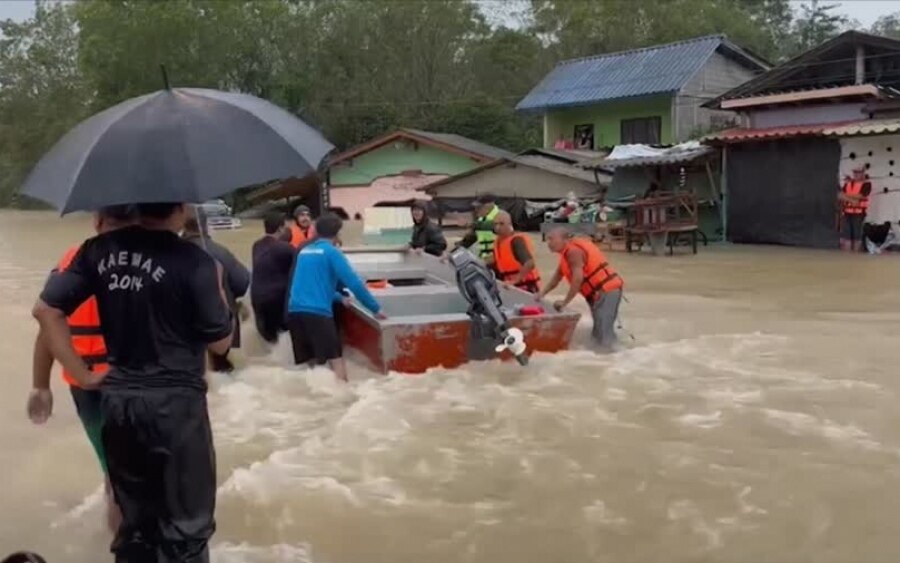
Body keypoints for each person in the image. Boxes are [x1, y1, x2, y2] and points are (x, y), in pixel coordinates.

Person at [34, 202, 233, 563]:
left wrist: (81, 374)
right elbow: (220, 342)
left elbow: (46, 310)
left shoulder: (97, 252)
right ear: (181, 210)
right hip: (176, 412)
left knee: (134, 528)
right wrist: (218, 287)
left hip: (118, 402)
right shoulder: (197, 261)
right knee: (186, 529)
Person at [27, 206, 136, 534]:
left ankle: (119, 543)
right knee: (132, 475)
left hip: (86, 383)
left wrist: (41, 385)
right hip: (127, 383)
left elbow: (47, 322)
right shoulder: (145, 263)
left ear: (98, 222)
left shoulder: (70, 263)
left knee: (114, 472)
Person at [286, 214, 385, 382]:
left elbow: (308, 285)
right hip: (317, 313)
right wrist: (375, 308)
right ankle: (344, 399)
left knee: (310, 365)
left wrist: (338, 297)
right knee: (336, 360)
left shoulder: (304, 251)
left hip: (295, 312)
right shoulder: (332, 252)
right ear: (338, 234)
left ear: (316, 231)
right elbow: (354, 283)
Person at [183, 207, 250, 372]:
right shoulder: (221, 252)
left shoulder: (171, 253)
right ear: (206, 226)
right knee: (225, 377)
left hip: (184, 335)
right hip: (222, 326)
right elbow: (242, 281)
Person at [537, 228, 624, 351]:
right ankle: (604, 356)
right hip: (598, 294)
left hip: (606, 291)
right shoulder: (565, 254)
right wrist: (541, 294)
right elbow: (556, 278)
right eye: (547, 240)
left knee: (604, 334)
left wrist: (565, 302)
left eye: (552, 239)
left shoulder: (573, 252)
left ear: (565, 239)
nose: (549, 243)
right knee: (599, 331)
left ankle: (613, 357)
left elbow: (577, 280)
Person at [251, 211, 296, 343]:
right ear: (281, 228)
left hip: (257, 298)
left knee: (268, 341)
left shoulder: (256, 246)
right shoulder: (285, 248)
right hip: (276, 300)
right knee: (283, 340)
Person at [490, 210, 541, 294]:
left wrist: (515, 280)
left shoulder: (516, 241)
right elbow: (496, 261)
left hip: (526, 287)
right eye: (495, 224)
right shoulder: (498, 242)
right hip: (509, 287)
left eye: (501, 224)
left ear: (509, 224)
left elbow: (530, 263)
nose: (498, 227)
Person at [449, 194, 500, 260]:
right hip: (485, 259)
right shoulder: (481, 219)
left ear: (488, 207)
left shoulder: (501, 216)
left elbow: (492, 226)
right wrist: (452, 254)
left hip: (498, 259)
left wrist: (469, 224)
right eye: (475, 208)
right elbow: (470, 239)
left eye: (479, 208)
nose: (476, 210)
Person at [838, 167, 872, 252]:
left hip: (859, 213)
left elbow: (862, 195)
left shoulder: (867, 184)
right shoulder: (848, 184)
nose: (856, 174)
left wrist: (846, 196)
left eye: (859, 172)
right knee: (846, 235)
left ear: (863, 173)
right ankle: (847, 256)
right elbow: (840, 195)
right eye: (855, 172)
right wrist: (852, 200)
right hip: (846, 212)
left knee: (857, 234)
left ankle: (855, 256)